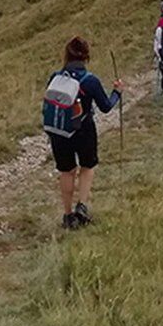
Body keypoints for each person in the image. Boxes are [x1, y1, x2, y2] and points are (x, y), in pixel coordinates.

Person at [43, 37, 123, 230]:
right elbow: (105, 107)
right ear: (86, 56)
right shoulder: (90, 81)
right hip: (84, 130)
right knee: (87, 166)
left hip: (59, 131)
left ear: (66, 55)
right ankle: (82, 206)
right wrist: (117, 93)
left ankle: (68, 215)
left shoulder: (55, 76)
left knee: (66, 171)